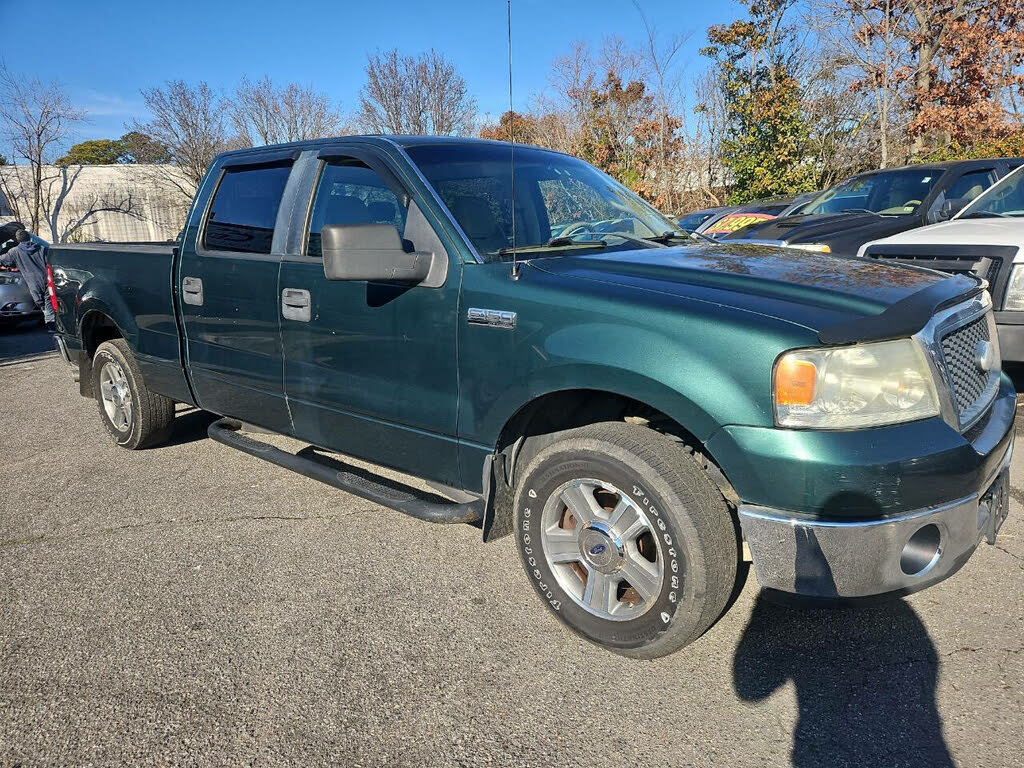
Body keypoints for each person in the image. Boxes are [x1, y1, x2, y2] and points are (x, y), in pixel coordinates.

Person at [0, 229, 54, 329]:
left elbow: (3, 260)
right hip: (46, 278)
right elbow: (51, 260)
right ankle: (51, 323)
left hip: (32, 281)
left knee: (40, 302)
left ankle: (49, 321)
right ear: (29, 237)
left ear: (18, 239)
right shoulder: (41, 248)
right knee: (48, 302)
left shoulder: (14, 251)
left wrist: (8, 267)